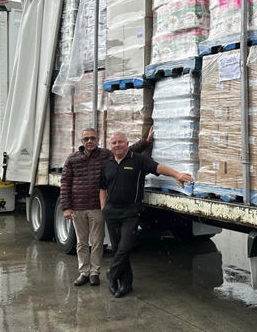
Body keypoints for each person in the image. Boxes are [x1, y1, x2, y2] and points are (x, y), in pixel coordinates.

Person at [100, 132, 193, 297]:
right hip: (112, 212)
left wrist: (177, 174)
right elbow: (102, 188)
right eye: (113, 143)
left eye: (120, 142)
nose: (117, 145)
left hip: (130, 212)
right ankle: (124, 284)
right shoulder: (107, 164)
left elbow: (158, 167)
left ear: (127, 143)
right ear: (110, 145)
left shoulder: (138, 160)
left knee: (125, 247)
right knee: (117, 249)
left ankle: (111, 274)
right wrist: (103, 208)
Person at [60, 127, 153, 287]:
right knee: (81, 242)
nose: (90, 141)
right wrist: (66, 207)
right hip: (78, 207)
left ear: (98, 140)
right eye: (86, 139)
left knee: (97, 242)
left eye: (93, 138)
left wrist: (146, 141)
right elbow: (65, 183)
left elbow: (125, 150)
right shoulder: (72, 159)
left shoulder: (105, 155)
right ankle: (84, 272)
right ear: (81, 142)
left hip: (96, 206)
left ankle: (95, 272)